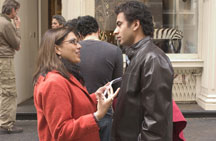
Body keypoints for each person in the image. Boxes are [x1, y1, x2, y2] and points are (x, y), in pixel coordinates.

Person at [33, 27, 119, 141]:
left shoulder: (64, 75)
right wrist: (97, 116)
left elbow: (74, 106)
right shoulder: (54, 82)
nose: (79, 46)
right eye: (73, 42)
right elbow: (61, 132)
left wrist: (95, 98)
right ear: (57, 49)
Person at [111, 1, 173, 141]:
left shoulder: (153, 59)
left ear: (135, 24)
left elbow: (155, 126)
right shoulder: (138, 55)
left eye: (119, 24)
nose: (115, 31)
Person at [77, 15, 123, 141]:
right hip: (104, 110)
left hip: (79, 113)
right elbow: (117, 86)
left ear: (79, 34)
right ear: (98, 31)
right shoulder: (114, 51)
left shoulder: (73, 51)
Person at [0, 0, 22, 134]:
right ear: (12, 10)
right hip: (5, 60)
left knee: (3, 91)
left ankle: (4, 121)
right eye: (16, 10)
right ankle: (7, 124)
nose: (17, 13)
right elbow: (17, 44)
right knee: (9, 92)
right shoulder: (6, 24)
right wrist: (17, 27)